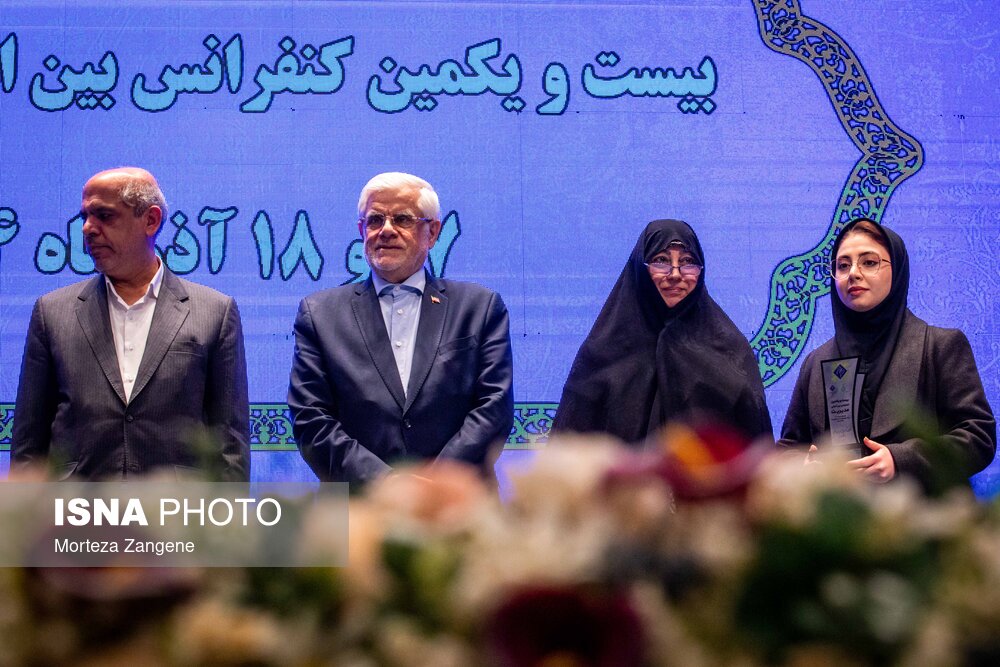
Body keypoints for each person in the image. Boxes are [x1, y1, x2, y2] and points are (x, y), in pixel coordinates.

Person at [12, 167, 250, 480]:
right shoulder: (52, 313)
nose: (87, 228)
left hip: (177, 507)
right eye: (85, 216)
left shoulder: (214, 312)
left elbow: (230, 445)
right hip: (77, 507)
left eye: (104, 215)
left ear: (151, 220)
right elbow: (28, 445)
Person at [288, 172, 514, 484]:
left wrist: (432, 489)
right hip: (358, 503)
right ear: (361, 230)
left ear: (432, 232)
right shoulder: (319, 314)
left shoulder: (479, 308)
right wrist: (389, 484)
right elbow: (311, 420)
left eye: (402, 219)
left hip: (458, 501)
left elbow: (493, 410)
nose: (386, 230)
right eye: (375, 220)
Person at [777, 218, 995, 490]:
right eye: (843, 265)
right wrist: (804, 467)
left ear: (898, 270)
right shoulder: (816, 362)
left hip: (924, 512)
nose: (853, 273)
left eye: (869, 262)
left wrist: (902, 460)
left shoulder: (940, 346)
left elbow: (979, 437)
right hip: (840, 514)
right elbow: (787, 449)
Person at [552, 219, 772, 443]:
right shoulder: (602, 353)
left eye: (687, 262)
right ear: (640, 267)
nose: (675, 274)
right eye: (661, 260)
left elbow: (756, 449)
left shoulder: (730, 351)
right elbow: (567, 451)